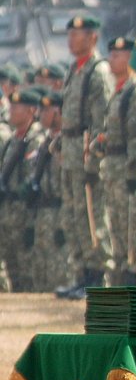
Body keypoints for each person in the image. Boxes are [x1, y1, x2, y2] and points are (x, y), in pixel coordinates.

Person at [56, 14, 115, 298]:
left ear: (92, 37)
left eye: (77, 34)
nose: (71, 39)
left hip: (84, 153)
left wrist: (93, 158)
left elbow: (101, 121)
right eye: (69, 34)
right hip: (69, 152)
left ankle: (95, 276)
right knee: (73, 215)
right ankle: (79, 273)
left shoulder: (97, 71)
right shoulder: (75, 69)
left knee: (91, 215)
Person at [98, 36, 136, 286]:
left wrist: (134, 172)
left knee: (133, 228)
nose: (112, 59)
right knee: (116, 225)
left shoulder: (135, 91)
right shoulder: (118, 90)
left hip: (129, 172)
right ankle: (120, 275)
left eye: (119, 54)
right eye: (111, 54)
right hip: (114, 168)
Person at [0, 87, 43, 291]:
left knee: (27, 268)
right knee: (12, 267)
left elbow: (33, 179)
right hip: (8, 212)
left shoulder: (35, 140)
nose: (12, 110)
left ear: (31, 111)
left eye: (18, 106)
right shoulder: (12, 141)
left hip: (25, 212)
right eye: (12, 105)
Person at [28, 89, 66, 292]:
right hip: (43, 210)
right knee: (40, 268)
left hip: (61, 209)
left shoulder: (67, 142)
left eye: (46, 110)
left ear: (58, 111)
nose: (41, 114)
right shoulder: (43, 142)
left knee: (59, 269)